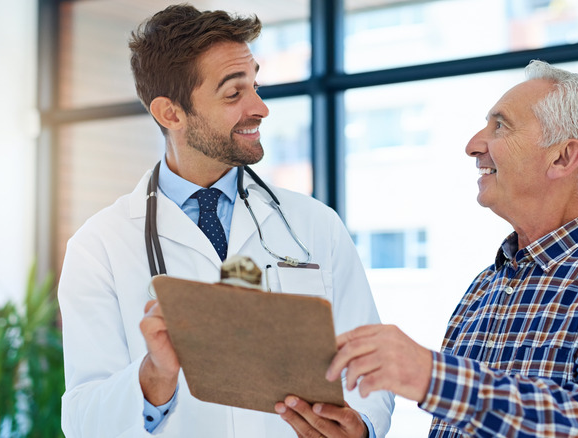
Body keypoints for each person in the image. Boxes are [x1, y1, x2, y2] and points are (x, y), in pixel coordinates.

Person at [57, 4, 393, 437]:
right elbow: (83, 420)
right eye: (234, 94)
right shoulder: (99, 246)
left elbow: (368, 366)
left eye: (255, 85)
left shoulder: (315, 224)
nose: (260, 108)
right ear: (170, 113)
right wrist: (154, 375)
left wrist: (361, 426)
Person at [328, 60, 578, 437]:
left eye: (500, 126)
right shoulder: (483, 289)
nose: (473, 145)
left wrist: (433, 377)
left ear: (562, 157)